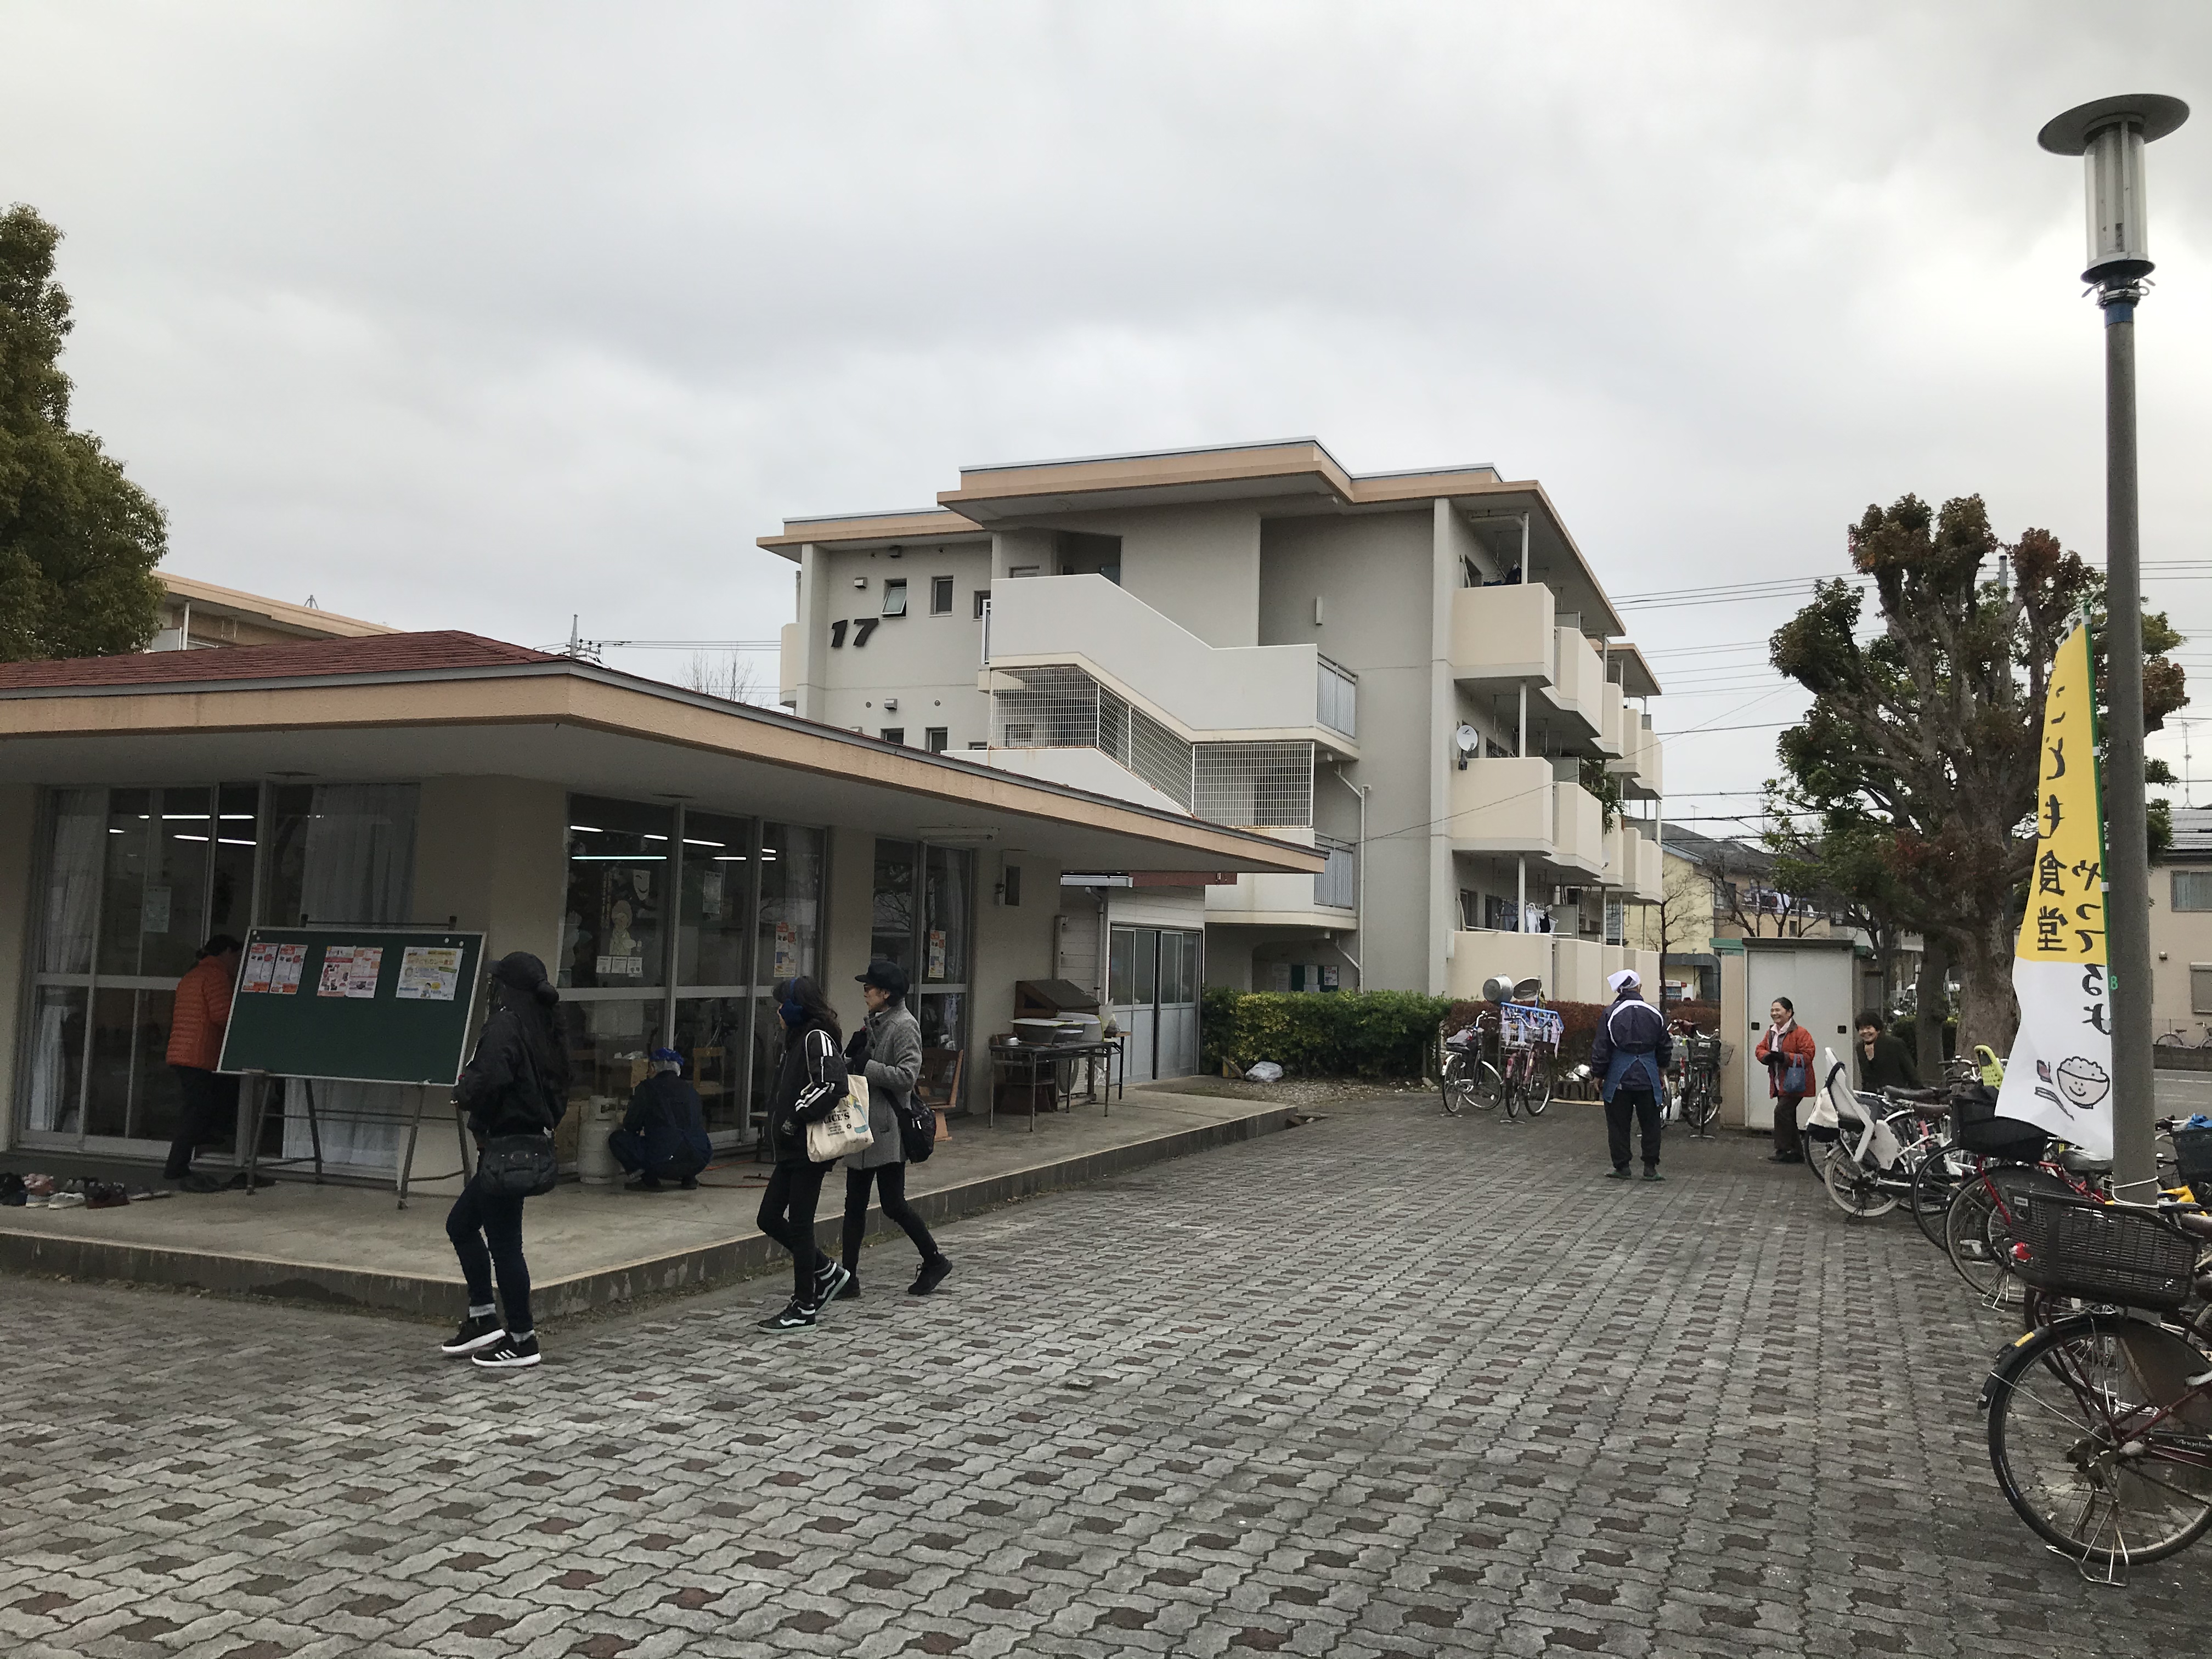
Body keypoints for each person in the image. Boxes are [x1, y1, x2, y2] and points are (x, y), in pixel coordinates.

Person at [442, 951, 569, 1370]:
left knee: (504, 1245)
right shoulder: (546, 1025)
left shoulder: (504, 1024)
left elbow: (490, 1076)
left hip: (505, 1148)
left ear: (505, 986)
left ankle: (522, 1338)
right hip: (525, 1143)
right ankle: (483, 1316)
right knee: (462, 1224)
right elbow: (559, 1088)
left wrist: (464, 1093)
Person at [823, 958, 952, 1302]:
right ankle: (849, 1279)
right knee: (854, 1205)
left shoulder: (905, 1026)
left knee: (894, 1204)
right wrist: (852, 1058)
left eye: (870, 987)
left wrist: (868, 1065)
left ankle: (935, 1259)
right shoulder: (876, 1022)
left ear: (887, 993)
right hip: (864, 1126)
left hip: (889, 1127)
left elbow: (907, 1078)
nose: (864, 992)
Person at [757, 976, 851, 1331]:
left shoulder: (817, 1037)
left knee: (799, 1223)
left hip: (808, 1147)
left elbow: (833, 1084)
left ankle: (804, 1305)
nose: (779, 1010)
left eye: (783, 1004)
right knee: (768, 1218)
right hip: (792, 1149)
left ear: (798, 1007)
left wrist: (795, 1116)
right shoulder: (796, 1039)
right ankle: (826, 1271)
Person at [165, 934, 242, 1192]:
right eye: (237, 956)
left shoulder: (193, 974)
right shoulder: (216, 976)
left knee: (198, 1107)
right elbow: (222, 1015)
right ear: (227, 953)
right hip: (199, 1053)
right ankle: (177, 1165)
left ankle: (184, 1158)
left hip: (182, 1051)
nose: (238, 962)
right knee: (197, 1111)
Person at [1588, 968, 1672, 1183]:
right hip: (1648, 1076)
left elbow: (1602, 1047)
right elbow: (1664, 1046)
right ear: (1639, 988)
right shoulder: (1655, 1013)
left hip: (1619, 1078)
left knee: (1618, 1124)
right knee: (1651, 1123)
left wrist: (1598, 1074)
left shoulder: (1610, 1013)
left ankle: (1622, 1166)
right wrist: (1662, 1070)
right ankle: (1650, 1168)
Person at [611, 1046, 713, 1190]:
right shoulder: (692, 1091)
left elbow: (632, 1124)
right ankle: (689, 1178)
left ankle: (648, 1180)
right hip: (699, 1158)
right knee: (685, 1138)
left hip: (663, 1161)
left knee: (618, 1139)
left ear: (653, 1067)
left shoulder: (648, 1088)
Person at [1756, 996, 1818, 1163]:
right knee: (1788, 1115)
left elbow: (1808, 1056)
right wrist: (1766, 1057)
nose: (1774, 1013)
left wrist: (1785, 1057)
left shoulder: (1801, 1033)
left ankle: (1782, 1149)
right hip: (1780, 1082)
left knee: (1781, 1112)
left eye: (1778, 1010)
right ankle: (1797, 1152)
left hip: (1795, 1083)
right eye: (1772, 1010)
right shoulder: (1771, 1032)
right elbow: (1760, 1049)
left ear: (1789, 1012)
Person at [1853, 1011, 1920, 1094]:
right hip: (1872, 1098)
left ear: (1877, 1029)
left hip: (1896, 1095)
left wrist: (1919, 1094)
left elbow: (1910, 1072)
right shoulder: (1860, 1048)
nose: (1865, 1032)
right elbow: (1866, 1078)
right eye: (1862, 1029)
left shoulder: (1895, 1044)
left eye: (1868, 1028)